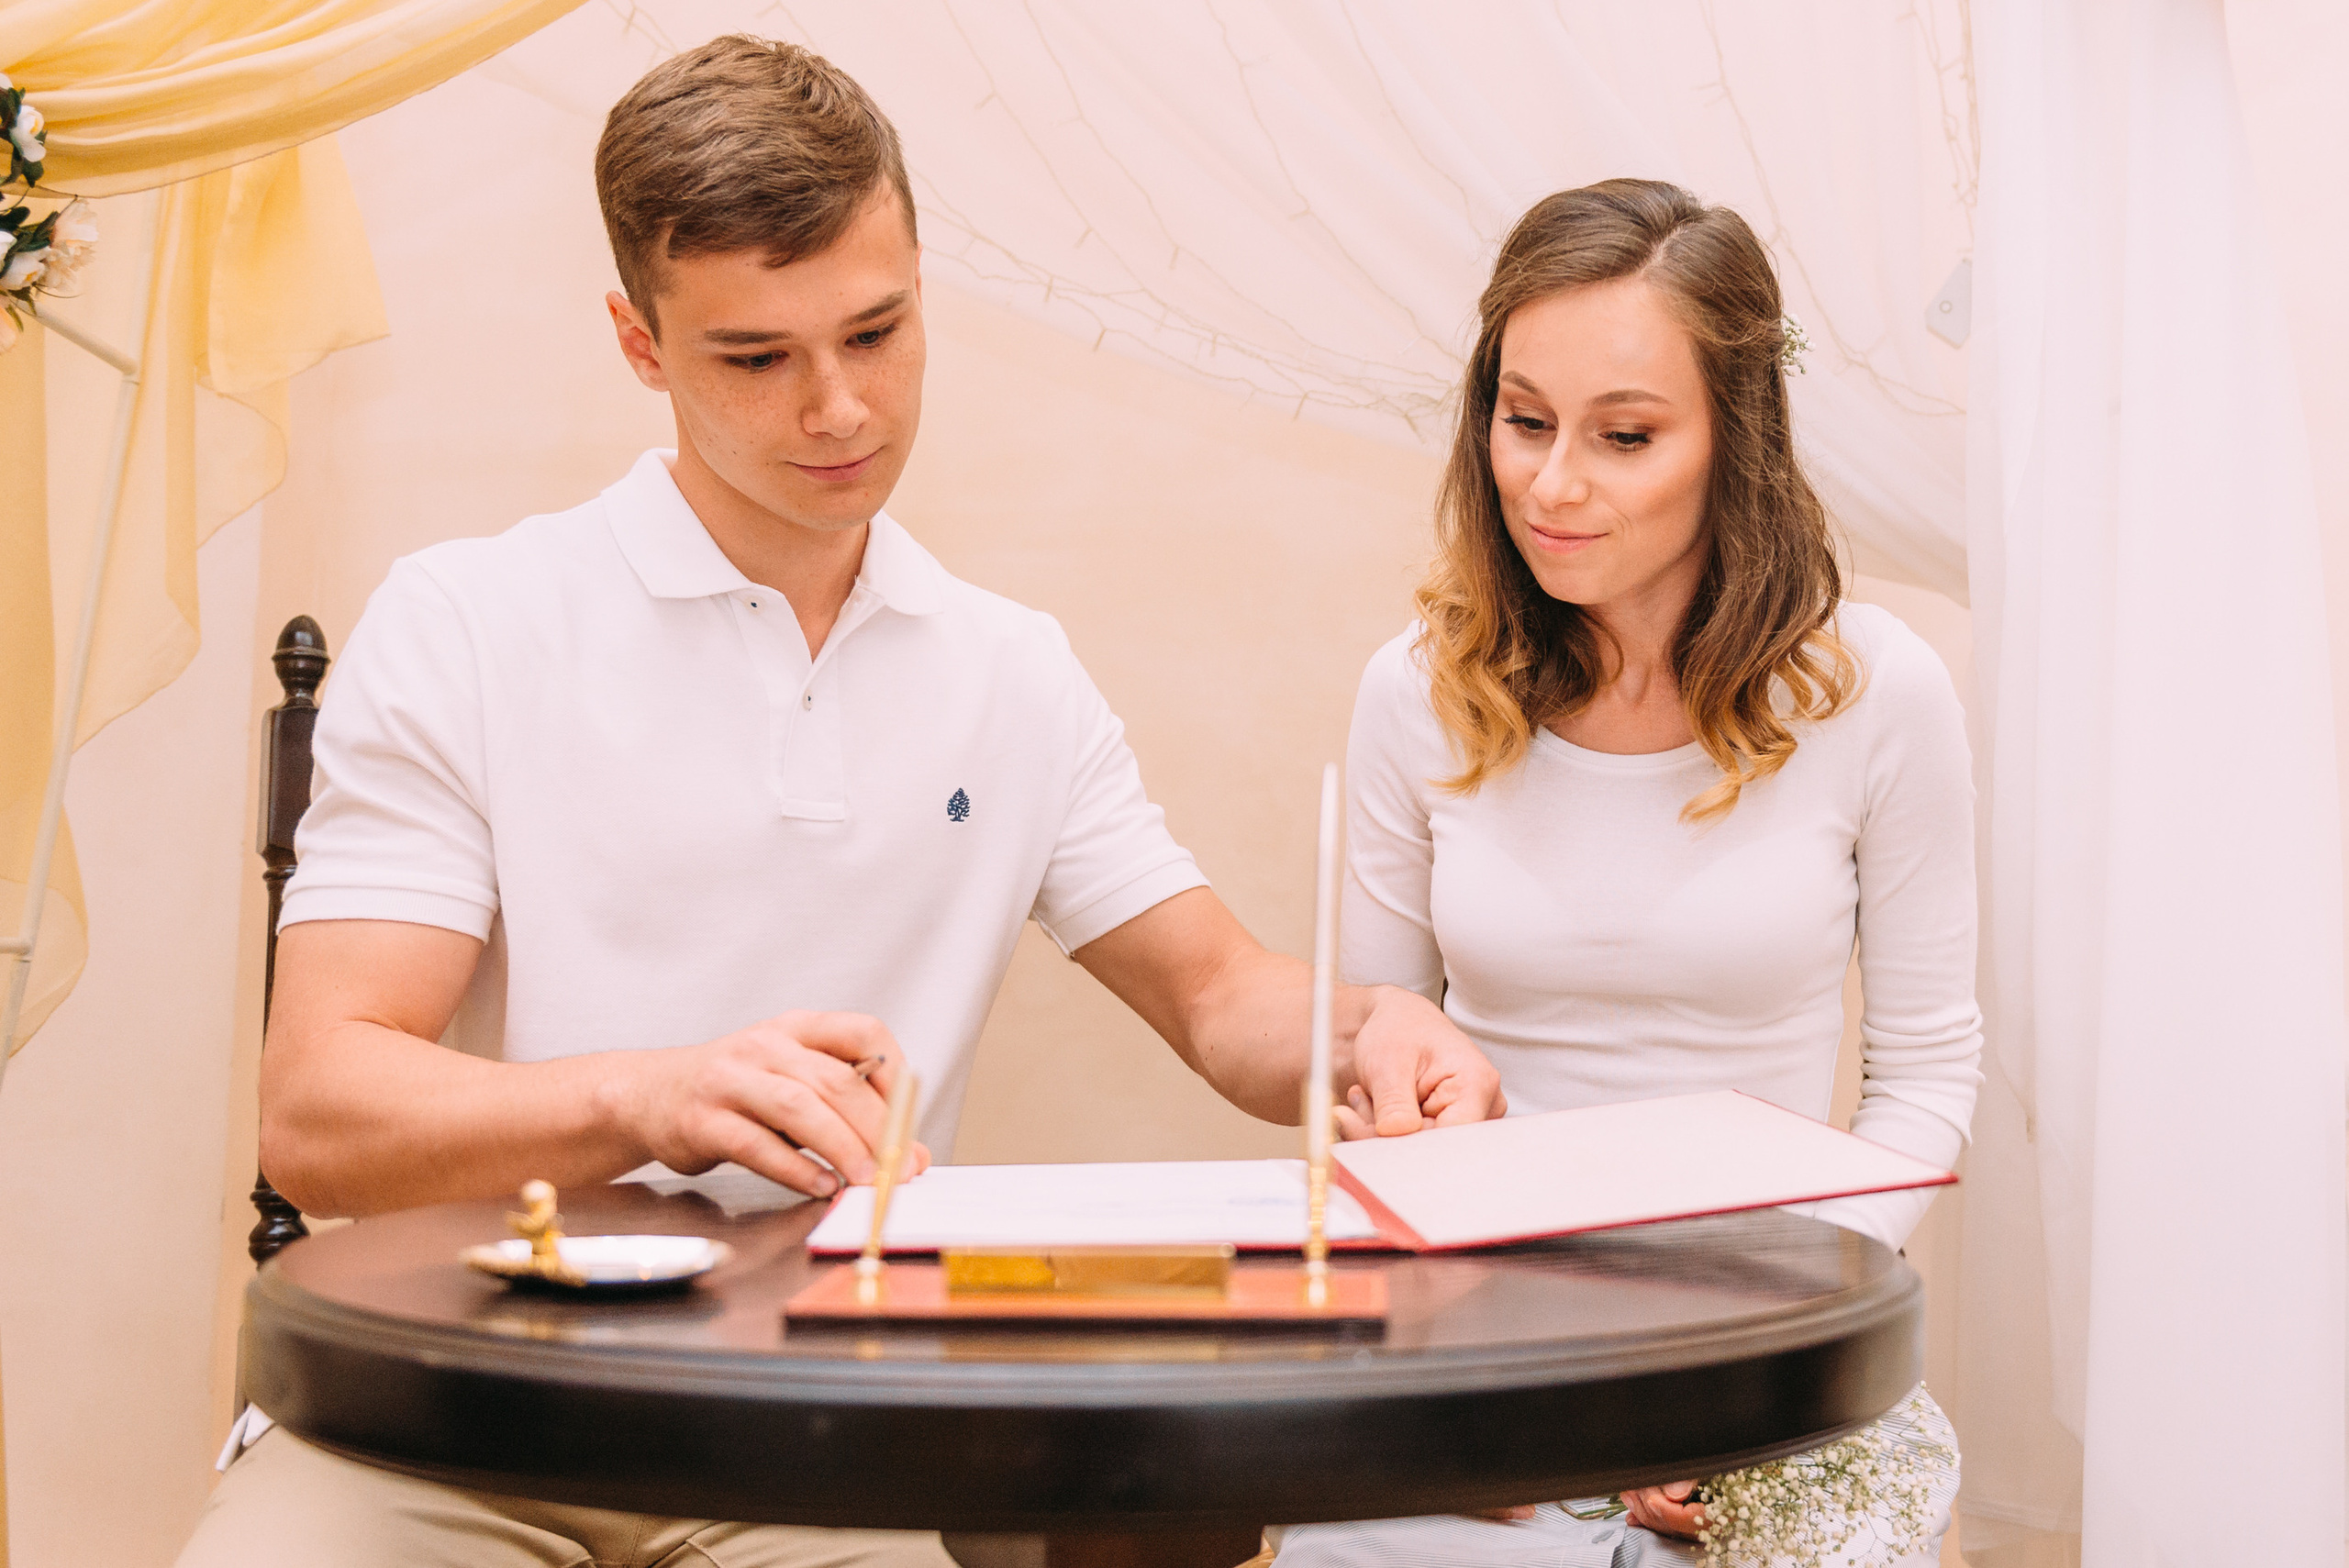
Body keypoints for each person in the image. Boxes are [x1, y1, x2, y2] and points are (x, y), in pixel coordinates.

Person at [174, 37, 1502, 1568]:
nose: (838, 407)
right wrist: (644, 1095)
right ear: (638, 340)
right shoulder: (470, 621)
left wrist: (1372, 1032)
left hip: (813, 1453)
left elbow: (1217, 997)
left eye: (878, 331)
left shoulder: (1011, 671)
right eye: (756, 357)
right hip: (445, 1417)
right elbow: (319, 1106)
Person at [1281, 180, 1981, 1566]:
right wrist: (1392, 1139)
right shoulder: (1414, 694)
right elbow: (1373, 1041)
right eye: (1524, 420)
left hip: (1771, 1321)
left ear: (1736, 439)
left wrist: (1759, 1343)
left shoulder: (1876, 694)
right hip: (1481, 1335)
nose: (1551, 482)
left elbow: (1923, 1080)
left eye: (1625, 436)